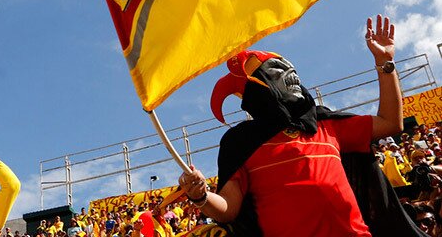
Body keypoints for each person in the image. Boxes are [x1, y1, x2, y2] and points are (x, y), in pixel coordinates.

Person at [178, 15, 424, 236]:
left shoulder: (325, 124)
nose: (291, 75)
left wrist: (385, 63)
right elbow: (228, 209)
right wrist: (200, 195)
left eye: (291, 70)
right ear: (255, 86)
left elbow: (391, 124)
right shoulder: (241, 142)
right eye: (277, 70)